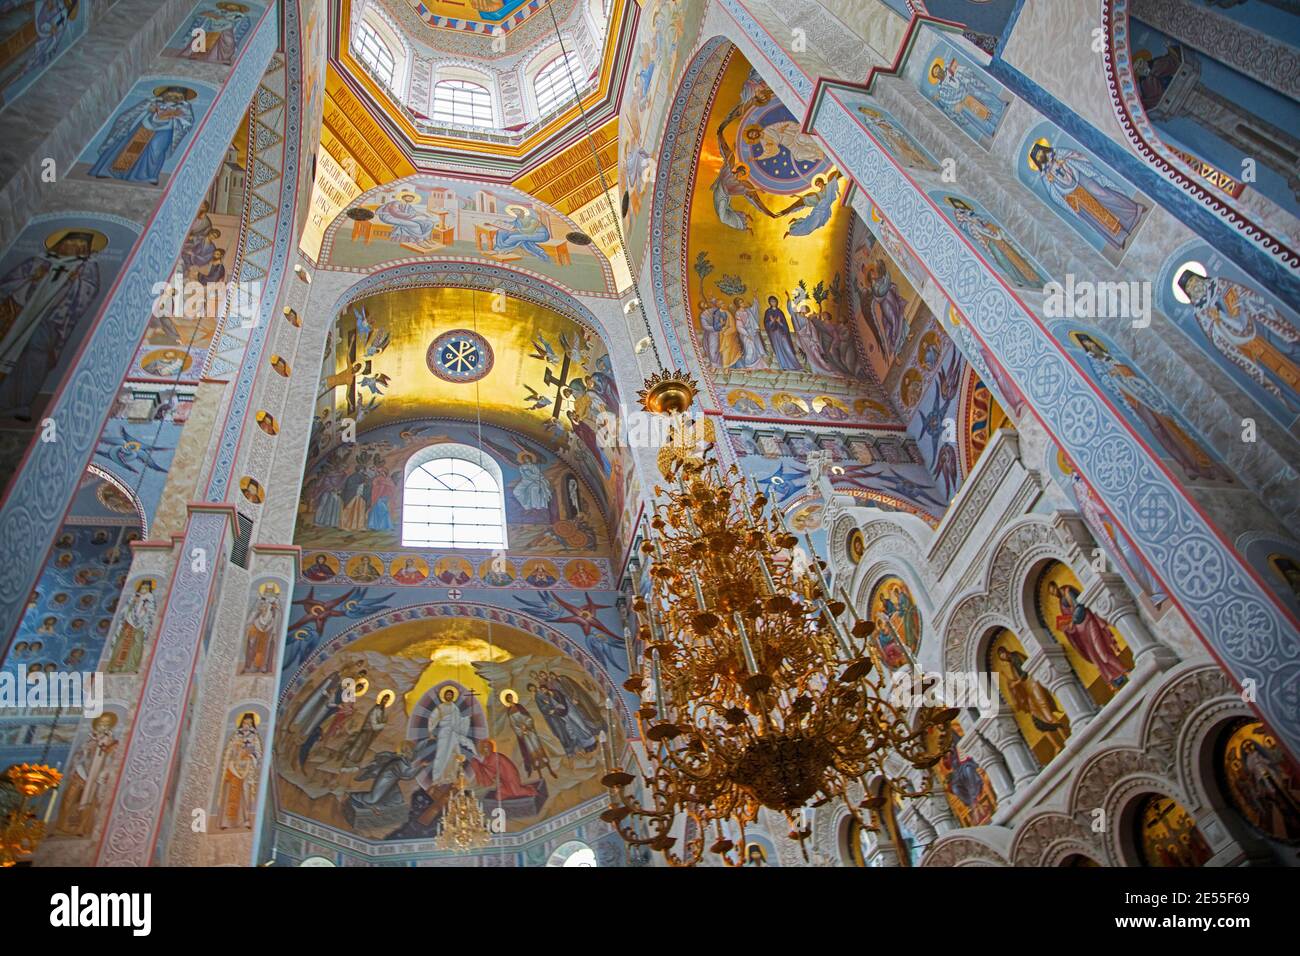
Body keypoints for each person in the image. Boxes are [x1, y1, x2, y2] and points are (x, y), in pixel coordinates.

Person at [88, 85, 196, 184]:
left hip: (166, 130)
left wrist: (175, 117)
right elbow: (135, 112)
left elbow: (188, 121)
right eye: (170, 95)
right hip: (145, 127)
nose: (173, 98)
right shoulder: (153, 101)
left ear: (182, 97)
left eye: (177, 96)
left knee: (156, 149)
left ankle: (148, 176)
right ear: (164, 94)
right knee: (132, 147)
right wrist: (149, 110)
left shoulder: (184, 107)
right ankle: (115, 173)